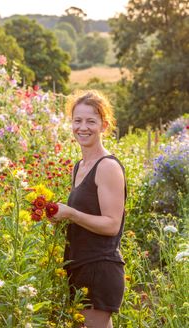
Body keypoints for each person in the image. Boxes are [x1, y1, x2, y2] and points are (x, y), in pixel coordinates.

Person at [53, 90, 127, 328]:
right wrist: (59, 216)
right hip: (79, 266)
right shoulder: (80, 166)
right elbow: (85, 215)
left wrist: (71, 213)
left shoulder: (107, 166)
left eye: (91, 121)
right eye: (77, 120)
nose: (82, 127)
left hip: (99, 267)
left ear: (104, 126)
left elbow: (111, 224)